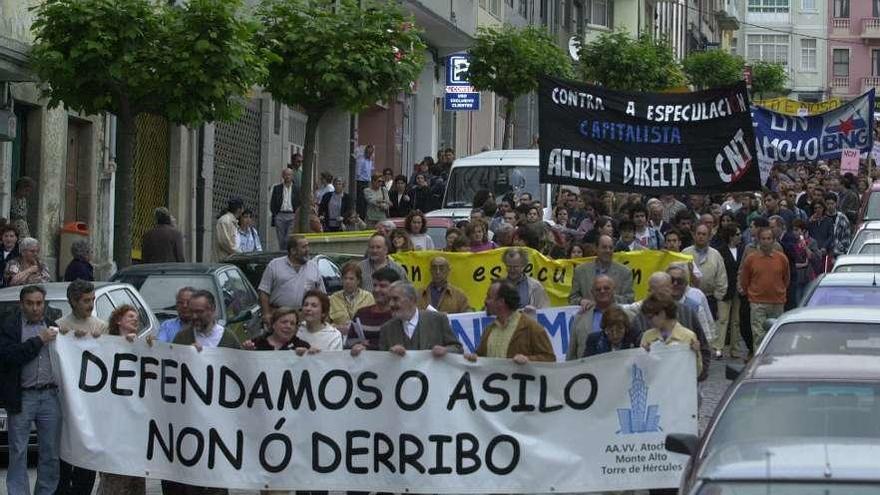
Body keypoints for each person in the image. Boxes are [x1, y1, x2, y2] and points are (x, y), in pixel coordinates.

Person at [164, 291, 237, 495]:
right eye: (191, 312)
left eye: (199, 312)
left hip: (219, 423)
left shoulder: (228, 338)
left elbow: (241, 375)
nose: (194, 316)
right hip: (190, 421)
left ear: (212, 310)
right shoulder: (183, 337)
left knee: (216, 476)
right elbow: (170, 372)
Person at [0, 285, 60, 494]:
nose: (35, 308)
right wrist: (39, 341)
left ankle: (46, 492)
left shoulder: (54, 326)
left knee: (50, 452)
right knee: (18, 451)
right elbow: (10, 356)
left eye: (39, 303)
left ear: (44, 304)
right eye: (30, 303)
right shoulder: (11, 327)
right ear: (21, 304)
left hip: (50, 396)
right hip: (23, 396)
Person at [362, 280, 462, 356]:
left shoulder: (438, 320)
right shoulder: (387, 329)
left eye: (395, 299)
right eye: (389, 300)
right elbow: (382, 361)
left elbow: (458, 348)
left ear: (412, 300)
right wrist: (390, 354)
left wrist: (445, 350)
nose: (391, 304)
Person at [465, 280, 555, 363]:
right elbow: (480, 357)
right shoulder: (489, 330)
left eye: (489, 297)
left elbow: (550, 359)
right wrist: (474, 358)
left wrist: (528, 360)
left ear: (501, 302)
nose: (485, 301)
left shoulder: (531, 328)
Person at [740, 227, 790, 350]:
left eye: (769, 238)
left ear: (773, 240)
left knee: (776, 335)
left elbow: (786, 278)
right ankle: (759, 362)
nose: (766, 241)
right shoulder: (751, 259)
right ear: (758, 240)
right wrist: (751, 294)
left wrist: (780, 291)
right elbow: (745, 279)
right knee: (758, 335)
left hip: (777, 302)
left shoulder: (782, 258)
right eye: (763, 238)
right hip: (757, 303)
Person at [258, 235, 325, 324]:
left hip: (304, 318)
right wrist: (266, 314)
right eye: (304, 247)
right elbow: (264, 292)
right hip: (279, 316)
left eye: (308, 246)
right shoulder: (274, 265)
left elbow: (322, 295)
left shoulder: (313, 267)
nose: (308, 250)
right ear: (293, 251)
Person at [639, 294, 702, 377]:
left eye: (650, 317)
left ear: (662, 313)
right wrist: (642, 356)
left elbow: (697, 372)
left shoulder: (687, 336)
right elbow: (642, 371)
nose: (648, 321)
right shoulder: (647, 336)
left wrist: (696, 353)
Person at [569, 234, 634, 308]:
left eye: (611, 248)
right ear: (596, 248)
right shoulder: (580, 271)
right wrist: (581, 301)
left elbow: (629, 300)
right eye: (604, 247)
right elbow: (572, 298)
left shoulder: (625, 272)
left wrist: (608, 298)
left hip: (614, 316)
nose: (608, 250)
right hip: (588, 316)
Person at [346, 267, 400, 350]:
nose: (376, 289)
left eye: (382, 286)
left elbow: (401, 344)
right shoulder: (361, 313)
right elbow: (349, 341)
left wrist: (369, 346)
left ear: (395, 289)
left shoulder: (399, 315)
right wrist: (355, 345)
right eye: (375, 285)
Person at [567, 275, 618, 360]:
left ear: (614, 290)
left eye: (606, 288)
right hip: (587, 370)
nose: (602, 291)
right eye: (598, 289)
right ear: (592, 292)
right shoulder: (579, 318)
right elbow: (572, 352)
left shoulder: (628, 316)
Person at [682, 224, 728, 320]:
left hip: (710, 299)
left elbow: (722, 279)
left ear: (709, 236)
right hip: (688, 298)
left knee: (708, 330)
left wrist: (717, 298)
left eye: (704, 234)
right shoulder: (685, 253)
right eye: (698, 234)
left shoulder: (715, 255)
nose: (701, 236)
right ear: (694, 235)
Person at [714, 225, 746, 359]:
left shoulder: (743, 250)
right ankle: (718, 348)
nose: (740, 236)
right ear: (731, 236)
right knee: (722, 319)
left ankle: (735, 348)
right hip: (724, 289)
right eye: (737, 234)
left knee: (736, 321)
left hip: (738, 289)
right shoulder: (720, 251)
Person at [328, 262, 375, 331]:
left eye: (351, 279)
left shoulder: (368, 297)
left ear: (358, 281)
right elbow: (324, 324)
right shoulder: (333, 299)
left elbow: (373, 322)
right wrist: (337, 327)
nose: (347, 281)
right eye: (345, 278)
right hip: (339, 337)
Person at [270, 168, 300, 251]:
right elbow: (272, 203)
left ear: (292, 176)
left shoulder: (297, 189)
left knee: (288, 238)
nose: (287, 177)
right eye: (286, 175)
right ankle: (282, 254)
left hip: (292, 215)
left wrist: (296, 214)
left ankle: (287, 252)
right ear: (283, 176)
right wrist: (275, 215)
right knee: (281, 238)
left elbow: (299, 203)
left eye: (289, 175)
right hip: (280, 215)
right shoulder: (277, 188)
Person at [355, 144, 375, 219]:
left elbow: (370, 172)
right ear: (366, 152)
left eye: (371, 153)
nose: (370, 154)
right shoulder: (361, 160)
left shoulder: (370, 161)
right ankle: (360, 216)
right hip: (361, 182)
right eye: (368, 152)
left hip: (367, 182)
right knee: (361, 201)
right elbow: (358, 173)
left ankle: (365, 216)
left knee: (366, 200)